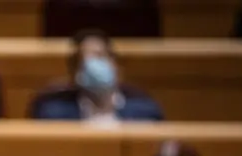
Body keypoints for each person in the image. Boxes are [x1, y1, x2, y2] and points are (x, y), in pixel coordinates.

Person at [33, 29, 164, 123]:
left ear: (116, 65)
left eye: (100, 56)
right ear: (75, 74)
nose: (92, 65)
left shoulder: (146, 114)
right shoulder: (53, 116)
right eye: (84, 60)